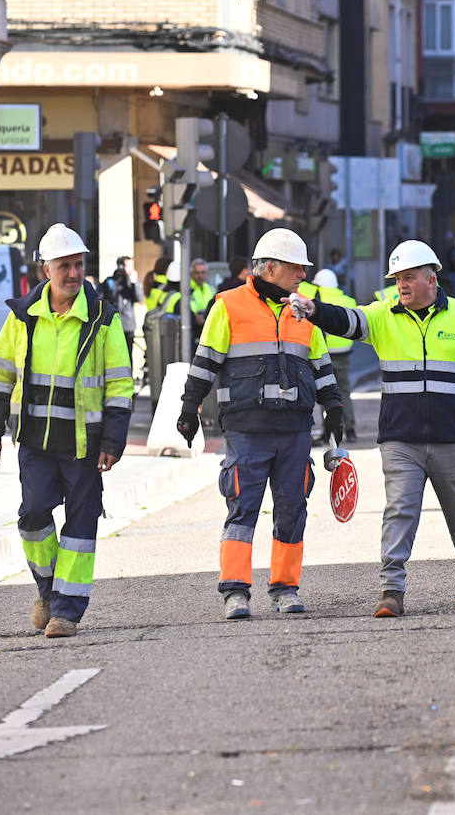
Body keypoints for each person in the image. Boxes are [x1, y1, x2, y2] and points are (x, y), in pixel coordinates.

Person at [296, 240, 455, 618]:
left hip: (453, 436)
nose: (401, 285)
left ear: (431, 279)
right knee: (399, 511)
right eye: (397, 279)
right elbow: (348, 319)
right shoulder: (384, 315)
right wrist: (314, 310)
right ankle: (392, 590)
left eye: (408, 278)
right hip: (400, 439)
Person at [175, 228, 342, 620]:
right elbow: (205, 363)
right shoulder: (229, 306)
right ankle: (235, 592)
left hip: (295, 429)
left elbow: (321, 365)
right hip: (247, 430)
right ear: (269, 268)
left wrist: (333, 405)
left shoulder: (305, 310)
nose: (302, 274)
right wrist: (188, 406)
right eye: (295, 267)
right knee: (242, 509)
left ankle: (286, 588)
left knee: (292, 509)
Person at [0, 224, 134, 639]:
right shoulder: (22, 318)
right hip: (34, 442)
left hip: (84, 445)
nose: (73, 273)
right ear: (45, 269)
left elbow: (120, 384)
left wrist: (114, 440)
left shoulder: (103, 319)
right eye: (64, 265)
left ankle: (66, 611)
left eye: (78, 264)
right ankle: (47, 589)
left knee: (80, 526)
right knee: (32, 516)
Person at [299, 268, 358, 443]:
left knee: (325, 391)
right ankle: (351, 429)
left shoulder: (315, 296)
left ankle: (328, 432)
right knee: (344, 391)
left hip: (323, 353)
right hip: (345, 353)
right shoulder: (349, 300)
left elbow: (301, 285)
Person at [101, 256, 143, 358]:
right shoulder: (110, 281)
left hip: (128, 324)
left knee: (128, 355)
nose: (131, 269)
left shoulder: (131, 282)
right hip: (112, 323)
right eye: (128, 266)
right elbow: (102, 299)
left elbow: (139, 298)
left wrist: (134, 282)